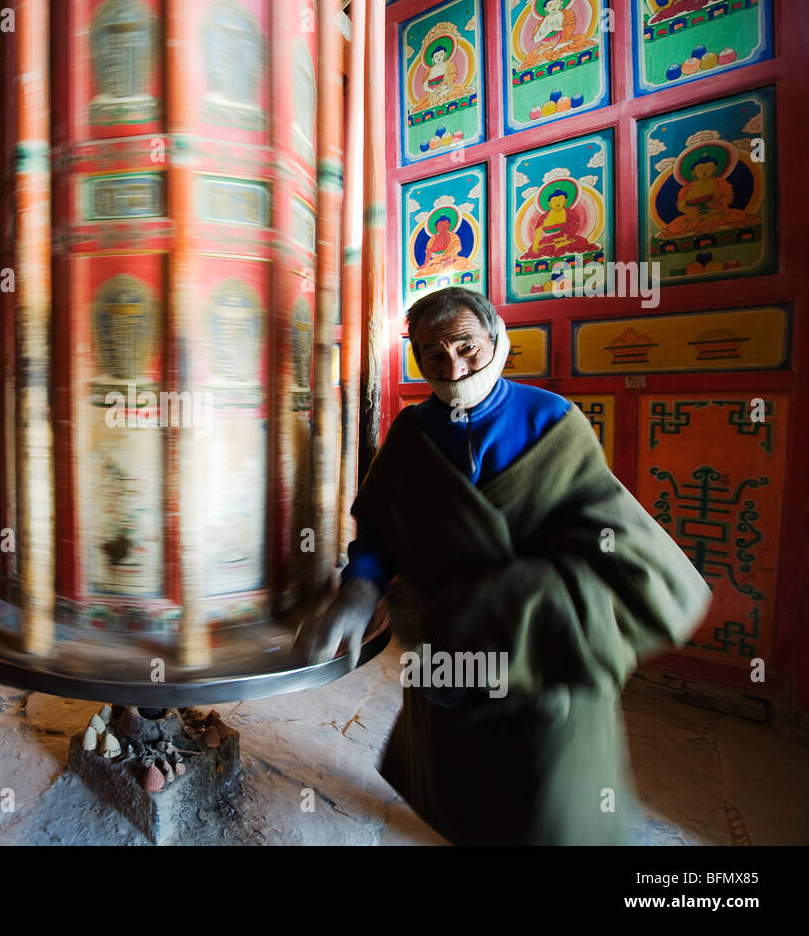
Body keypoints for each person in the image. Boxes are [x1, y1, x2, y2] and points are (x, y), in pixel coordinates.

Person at [294, 286, 711, 844]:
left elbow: (597, 522)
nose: (454, 366)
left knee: (551, 791)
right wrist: (357, 590)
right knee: (464, 775)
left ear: (500, 342)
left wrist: (525, 591)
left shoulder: (552, 420)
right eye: (433, 355)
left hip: (540, 637)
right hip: (450, 634)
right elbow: (381, 528)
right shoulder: (412, 434)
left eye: (468, 347)